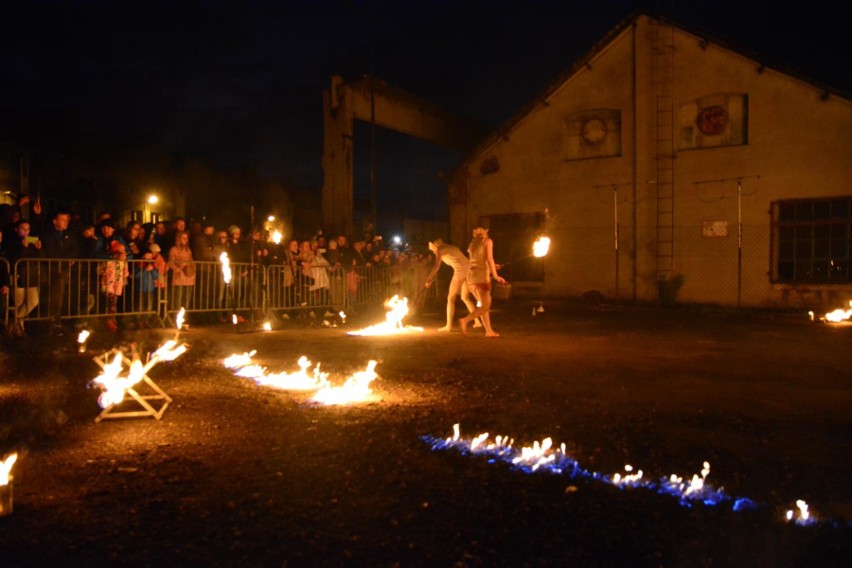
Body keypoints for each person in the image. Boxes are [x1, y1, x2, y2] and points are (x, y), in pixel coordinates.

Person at [460, 227, 506, 337]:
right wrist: (495, 276)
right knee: (485, 306)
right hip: (481, 278)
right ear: (485, 233)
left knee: (483, 305)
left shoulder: (473, 244)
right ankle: (465, 320)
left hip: (471, 277)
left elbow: (479, 261)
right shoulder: (487, 241)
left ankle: (489, 331)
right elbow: (489, 259)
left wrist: (493, 267)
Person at [425, 238, 478, 332]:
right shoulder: (451, 247)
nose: (433, 252)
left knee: (450, 298)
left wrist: (429, 278)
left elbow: (436, 265)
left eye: (433, 249)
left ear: (435, 246)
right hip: (468, 270)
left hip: (460, 271)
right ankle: (477, 322)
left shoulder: (440, 250)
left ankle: (448, 326)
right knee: (465, 297)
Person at [100, 239, 129, 332]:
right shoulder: (108, 261)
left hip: (117, 286)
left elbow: (125, 274)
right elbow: (103, 271)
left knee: (113, 305)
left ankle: (112, 323)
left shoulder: (123, 262)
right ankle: (110, 324)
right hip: (108, 286)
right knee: (110, 305)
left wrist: (124, 264)